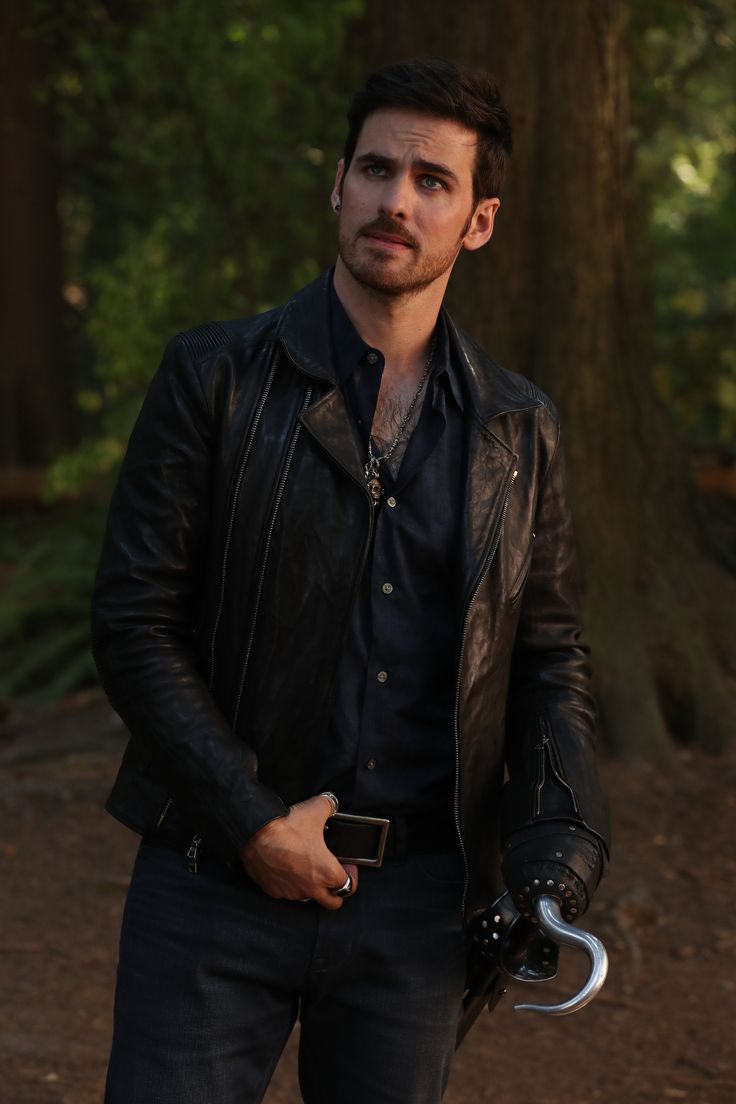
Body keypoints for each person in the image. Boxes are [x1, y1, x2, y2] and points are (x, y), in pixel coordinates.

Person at [93, 56, 610, 1104]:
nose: (395, 201)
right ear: (338, 184)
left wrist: (559, 837)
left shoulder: (518, 429)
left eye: (432, 183)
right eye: (375, 170)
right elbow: (134, 622)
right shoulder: (214, 378)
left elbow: (549, 658)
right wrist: (250, 818)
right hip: (210, 874)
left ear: (478, 222)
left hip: (416, 908)